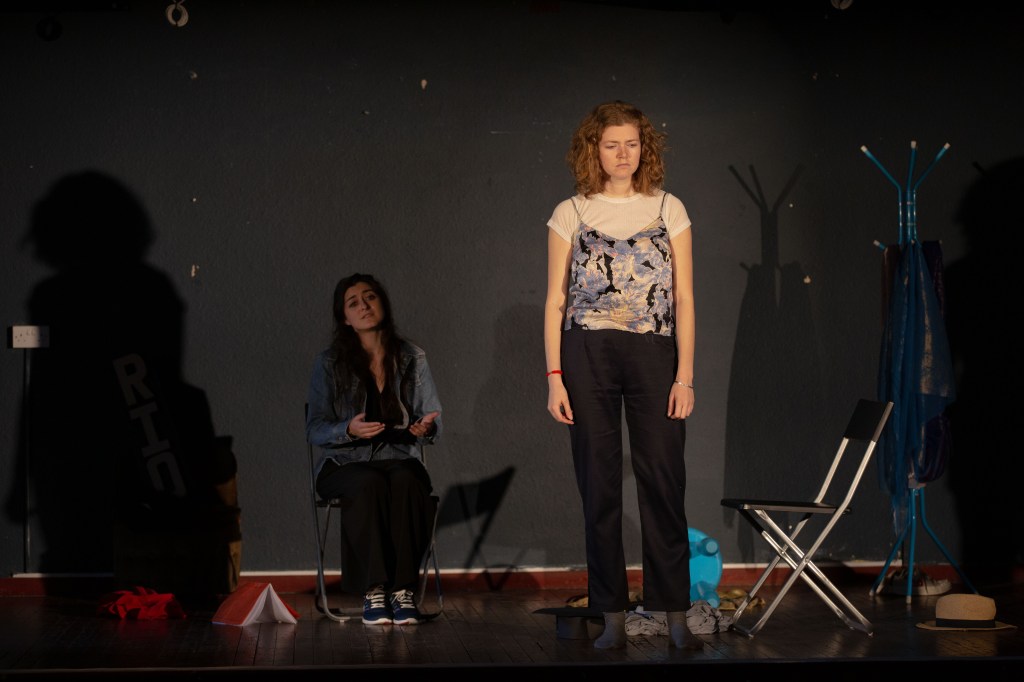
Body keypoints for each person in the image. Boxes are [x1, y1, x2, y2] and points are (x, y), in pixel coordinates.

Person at [544, 101, 700, 650]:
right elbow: (556, 300)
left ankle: (675, 613)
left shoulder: (668, 208)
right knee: (599, 483)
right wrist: (554, 376)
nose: (622, 154)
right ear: (594, 150)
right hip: (586, 352)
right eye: (611, 144)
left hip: (654, 352)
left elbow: (684, 297)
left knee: (663, 478)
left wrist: (685, 375)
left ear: (644, 148)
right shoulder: (571, 211)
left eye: (631, 143)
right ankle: (610, 614)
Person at [306, 273, 442, 625]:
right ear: (344, 318)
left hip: (398, 458)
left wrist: (424, 428)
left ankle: (402, 591)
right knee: (369, 483)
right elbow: (315, 428)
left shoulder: (412, 356)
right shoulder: (329, 363)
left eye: (370, 297)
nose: (364, 306)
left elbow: (430, 420)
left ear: (383, 303)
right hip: (344, 462)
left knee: (407, 481)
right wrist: (347, 429)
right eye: (353, 303)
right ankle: (375, 589)